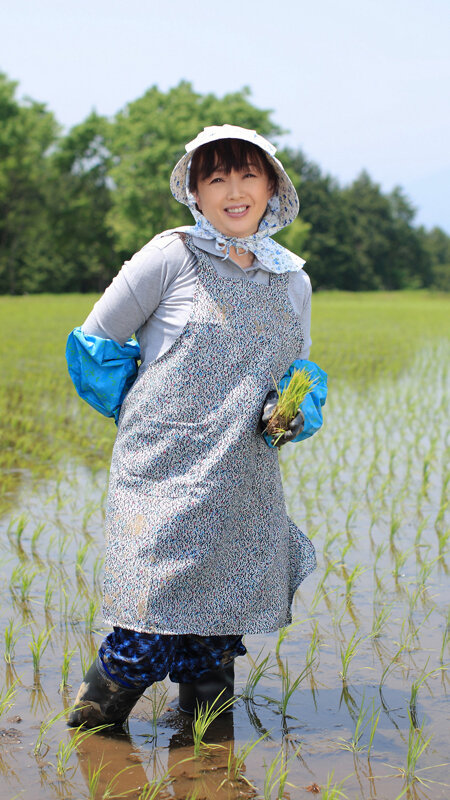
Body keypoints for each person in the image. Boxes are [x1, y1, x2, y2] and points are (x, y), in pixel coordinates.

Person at [66, 124, 327, 728]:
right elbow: (95, 342)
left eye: (248, 176)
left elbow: (296, 373)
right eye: (216, 178)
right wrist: (143, 413)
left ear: (272, 189)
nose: (234, 192)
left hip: (242, 479)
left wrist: (287, 414)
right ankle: (93, 733)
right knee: (144, 627)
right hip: (162, 475)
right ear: (195, 191)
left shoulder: (291, 279)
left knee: (215, 636)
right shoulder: (170, 256)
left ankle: (205, 755)